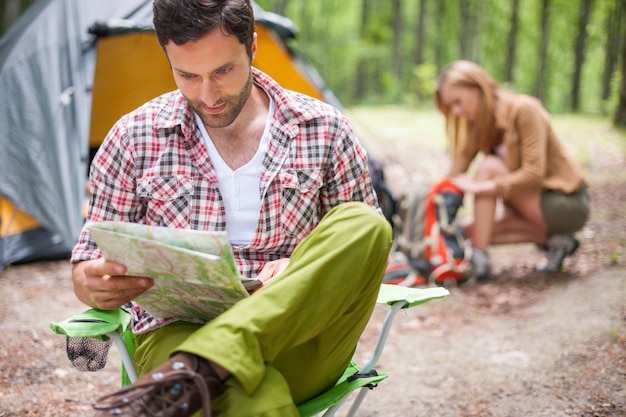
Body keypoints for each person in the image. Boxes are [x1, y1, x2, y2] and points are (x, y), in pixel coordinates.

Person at [70, 1, 392, 416]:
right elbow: (85, 267)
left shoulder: (325, 128)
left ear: (253, 48)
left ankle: (212, 360)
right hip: (179, 336)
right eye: (187, 75)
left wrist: (300, 263)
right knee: (247, 397)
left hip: (303, 337)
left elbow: (365, 256)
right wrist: (93, 282)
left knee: (365, 224)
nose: (208, 95)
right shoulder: (133, 137)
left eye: (223, 71)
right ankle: (212, 363)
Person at [433, 60, 589, 281]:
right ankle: (558, 241)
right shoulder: (481, 123)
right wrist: (431, 201)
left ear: (476, 88)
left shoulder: (524, 110)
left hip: (565, 202)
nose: (457, 111)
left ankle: (480, 259)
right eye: (451, 107)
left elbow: (534, 174)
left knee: (489, 168)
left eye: (458, 102)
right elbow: (454, 174)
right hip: (529, 206)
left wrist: (482, 187)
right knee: (466, 231)